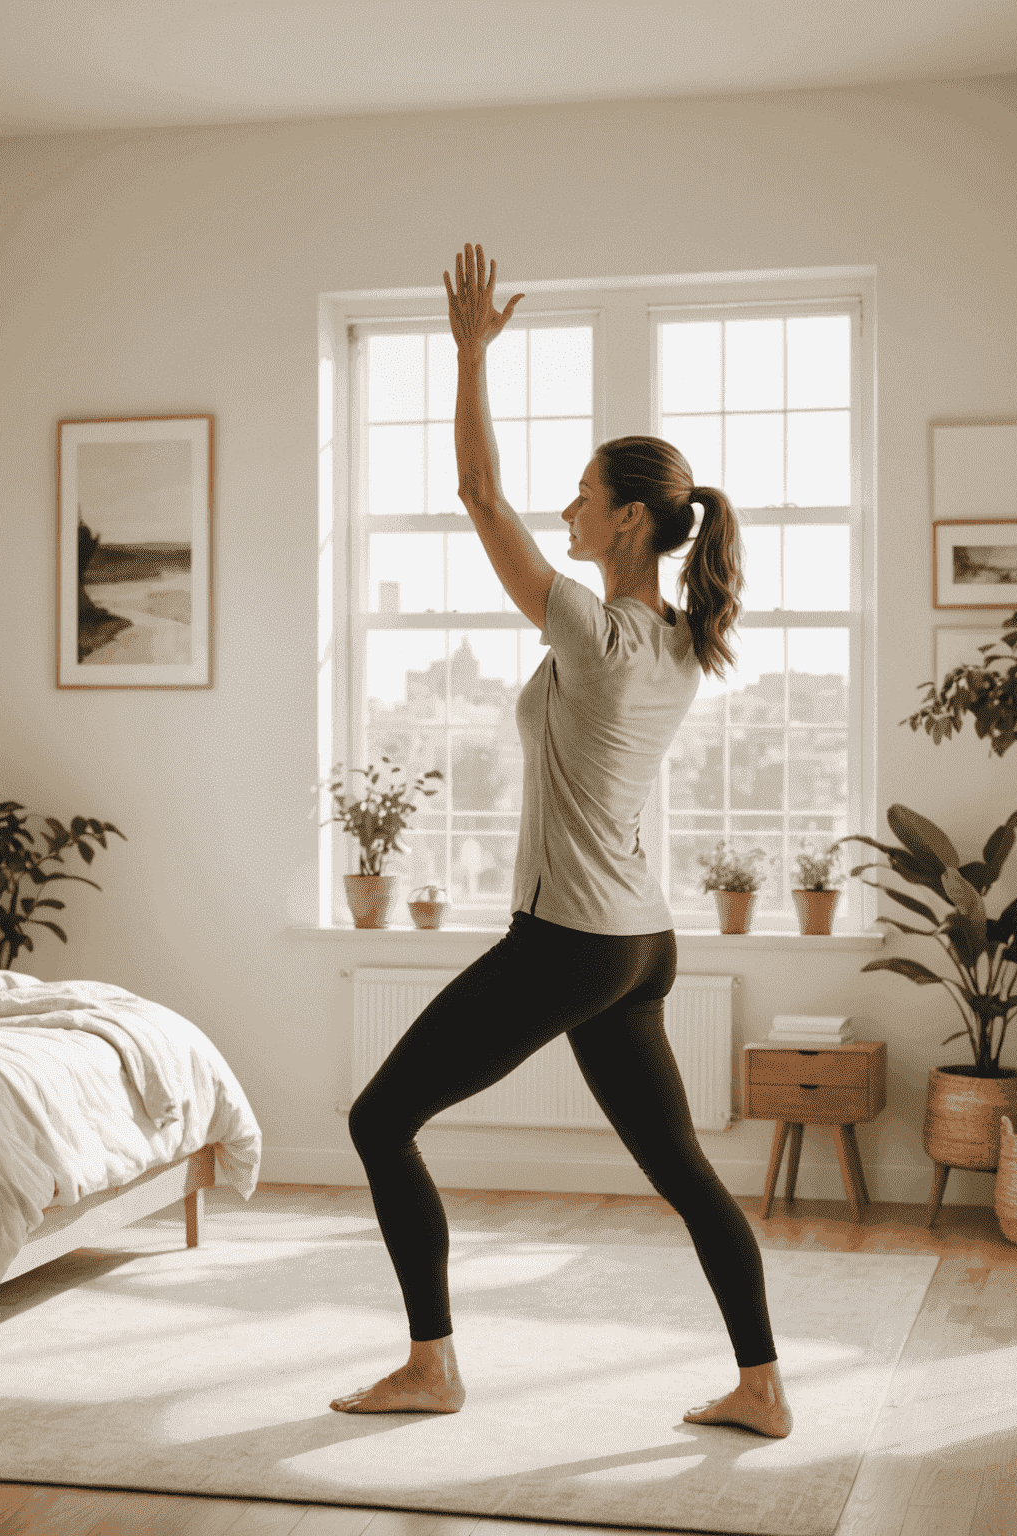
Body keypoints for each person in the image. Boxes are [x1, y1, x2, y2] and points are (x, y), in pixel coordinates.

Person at [330, 244, 792, 1439]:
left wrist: (471, 356)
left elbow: (480, 495)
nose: (566, 510)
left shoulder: (596, 632)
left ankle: (431, 1364)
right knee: (684, 1169)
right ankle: (762, 1386)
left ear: (630, 518)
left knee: (379, 1121)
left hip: (570, 943)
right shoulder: (685, 640)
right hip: (642, 945)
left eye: (583, 496)